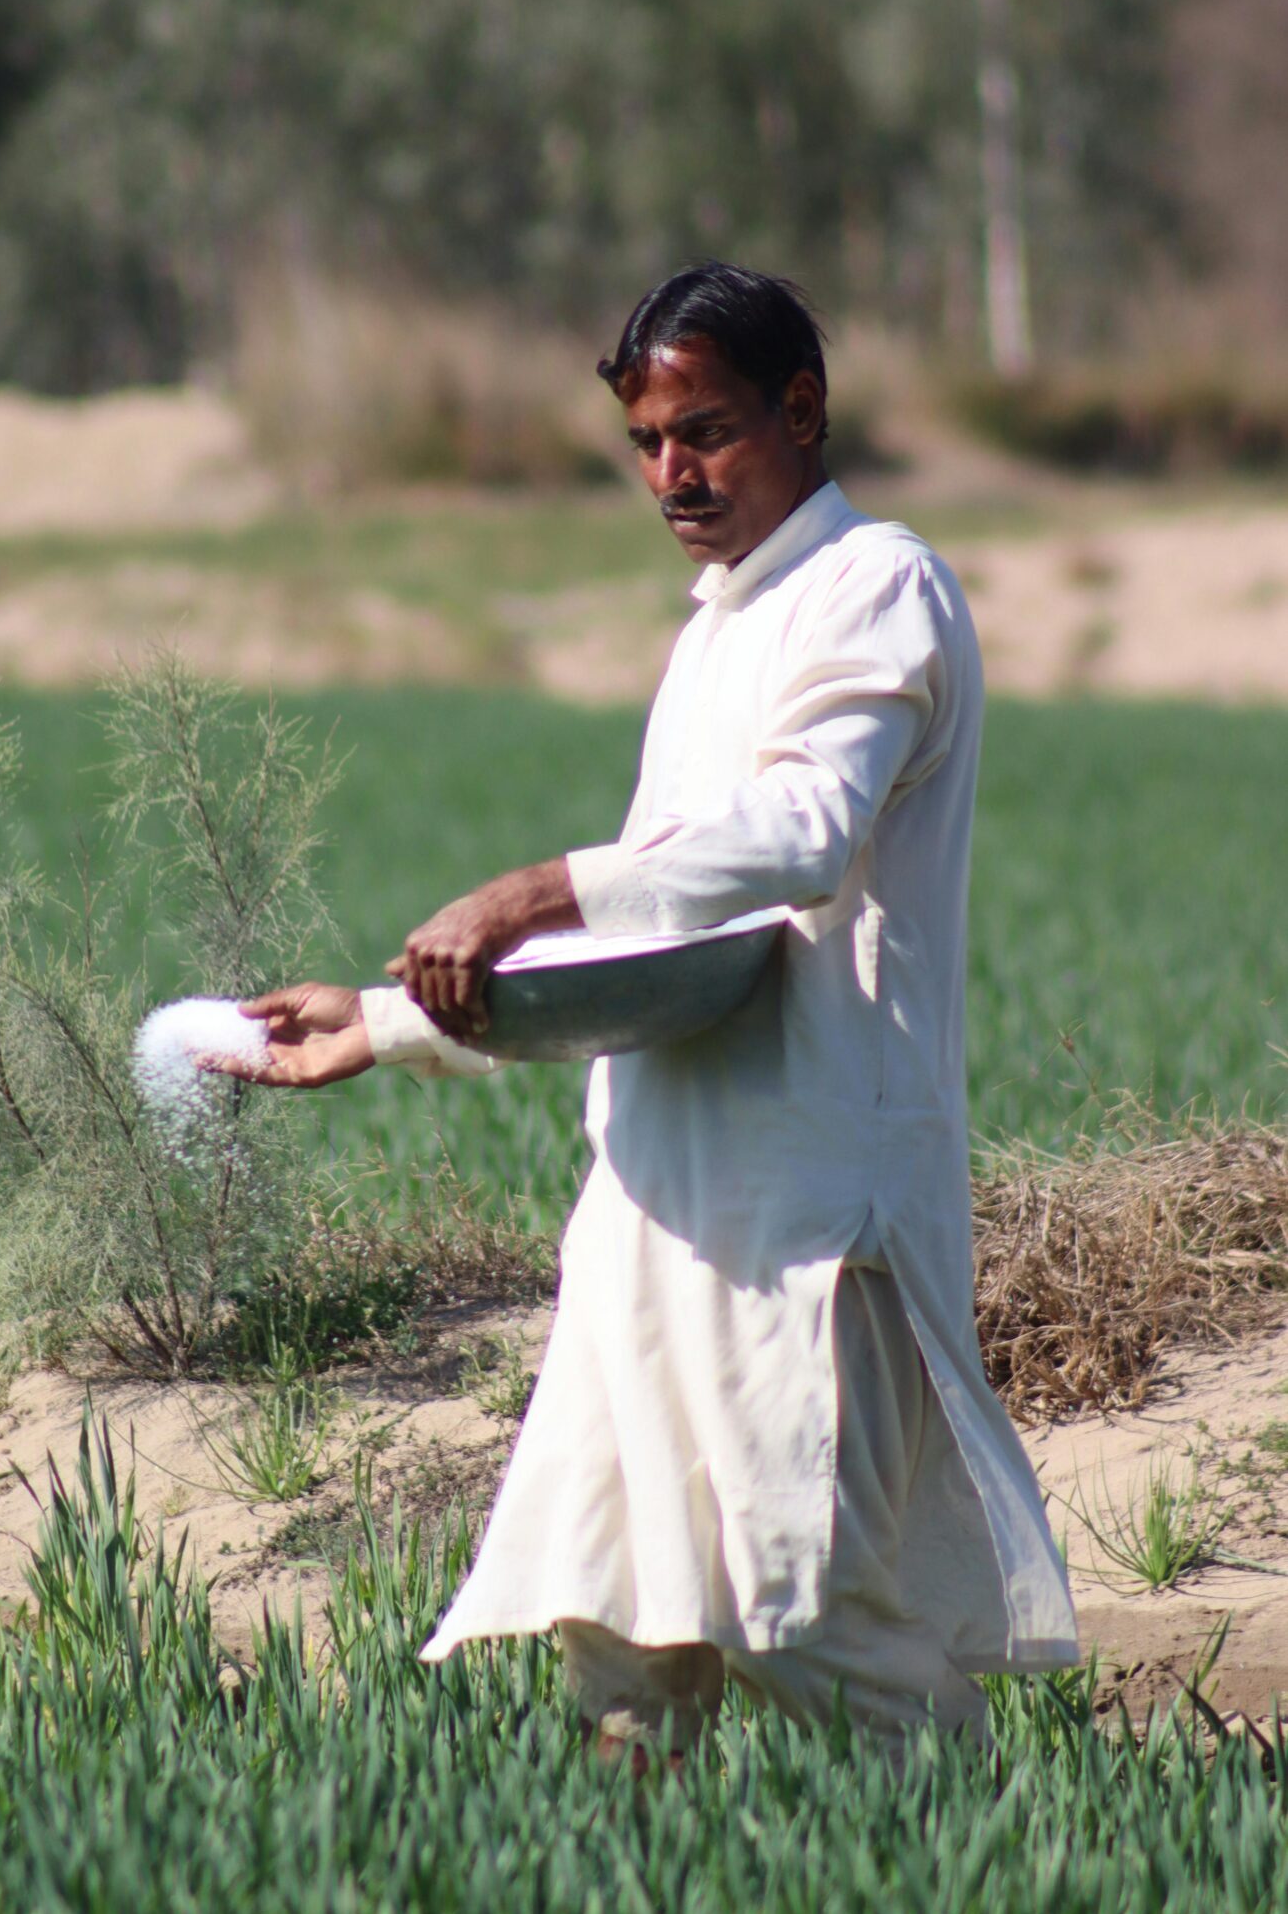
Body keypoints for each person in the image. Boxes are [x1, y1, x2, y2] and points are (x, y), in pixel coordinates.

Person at [209, 260, 1078, 1756]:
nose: (672, 474)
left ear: (801, 410)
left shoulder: (875, 588)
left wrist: (529, 891)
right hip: (657, 1205)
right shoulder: (715, 629)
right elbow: (662, 930)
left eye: (707, 431)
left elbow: (799, 834)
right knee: (616, 1620)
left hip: (811, 1221)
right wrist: (391, 1018)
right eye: (646, 446)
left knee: (815, 1618)